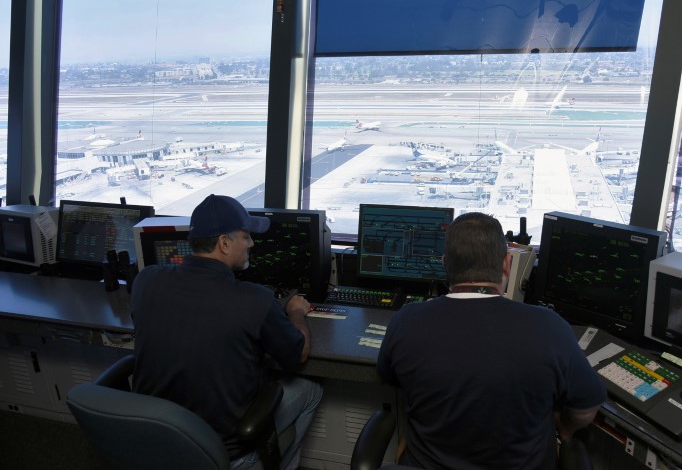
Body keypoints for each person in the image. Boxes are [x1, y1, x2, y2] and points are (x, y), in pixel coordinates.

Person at [377, 212, 606, 470]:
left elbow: (389, 377)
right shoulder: (550, 327)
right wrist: (564, 429)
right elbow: (586, 408)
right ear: (507, 264)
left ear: (445, 265)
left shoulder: (407, 320)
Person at [131, 194, 322, 470]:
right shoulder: (254, 300)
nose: (251, 244)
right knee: (310, 388)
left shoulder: (145, 281)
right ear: (224, 243)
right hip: (224, 452)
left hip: (159, 441)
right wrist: (295, 311)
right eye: (245, 237)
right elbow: (298, 354)